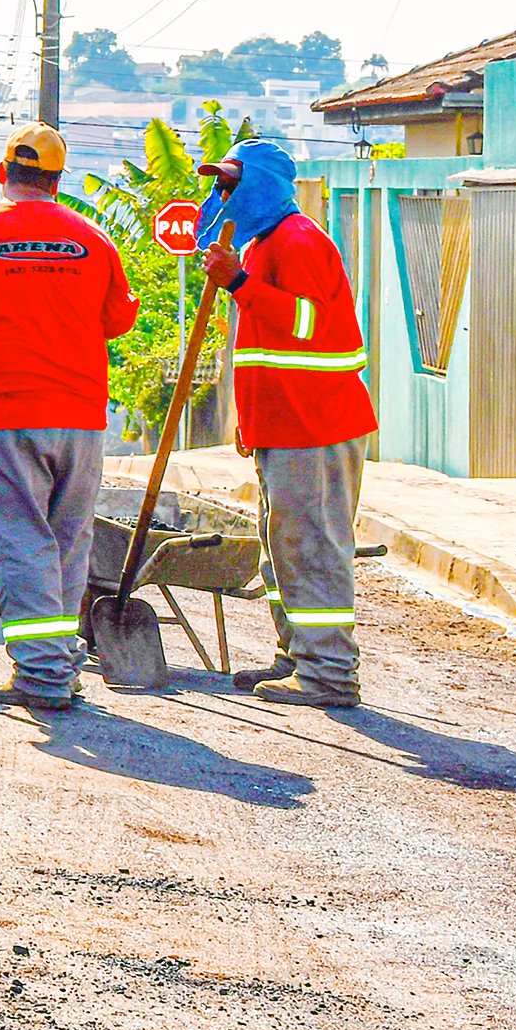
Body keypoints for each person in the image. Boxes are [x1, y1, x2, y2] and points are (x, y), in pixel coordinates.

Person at [0, 125, 141, 713]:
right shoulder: (91, 237)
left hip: (6, 412)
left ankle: (42, 677)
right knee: (67, 539)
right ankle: (58, 662)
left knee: (20, 539)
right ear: (58, 180)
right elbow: (118, 320)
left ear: (6, 174)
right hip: (82, 417)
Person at [198, 138, 379, 708]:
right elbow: (260, 349)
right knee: (283, 548)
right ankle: (298, 655)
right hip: (286, 427)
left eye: (230, 183)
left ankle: (327, 673)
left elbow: (307, 324)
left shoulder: (298, 242)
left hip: (317, 426)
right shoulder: (258, 245)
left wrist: (239, 284)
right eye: (218, 184)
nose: (222, 195)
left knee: (314, 549)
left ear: (262, 185)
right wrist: (250, 421)